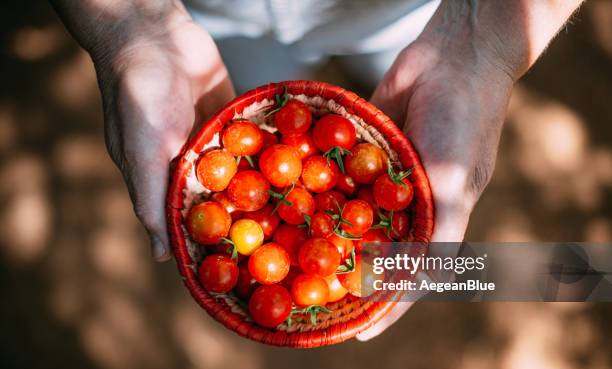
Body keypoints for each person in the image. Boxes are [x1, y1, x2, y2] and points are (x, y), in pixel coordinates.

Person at [51, 0, 584, 340]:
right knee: (249, 74)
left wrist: (476, 38)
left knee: (393, 69)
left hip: (407, 15)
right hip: (209, 15)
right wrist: (130, 21)